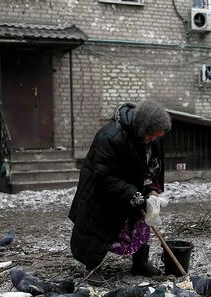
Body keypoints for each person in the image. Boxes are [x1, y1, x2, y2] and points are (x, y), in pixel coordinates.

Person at [68, 99, 171, 284]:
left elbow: (154, 166)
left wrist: (153, 189)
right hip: (102, 194)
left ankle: (140, 263)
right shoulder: (110, 137)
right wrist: (134, 195)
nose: (154, 140)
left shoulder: (151, 136)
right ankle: (92, 267)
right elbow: (104, 177)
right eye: (152, 136)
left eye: (157, 136)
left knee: (143, 220)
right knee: (100, 227)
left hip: (135, 188)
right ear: (142, 129)